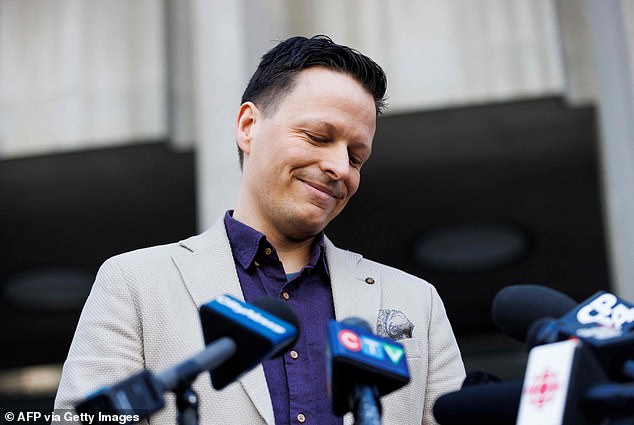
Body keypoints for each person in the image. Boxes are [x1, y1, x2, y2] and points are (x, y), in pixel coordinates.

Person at [55, 35, 465, 425]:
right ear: (248, 126)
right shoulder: (135, 283)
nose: (340, 168)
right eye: (318, 137)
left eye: (356, 158)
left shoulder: (416, 303)